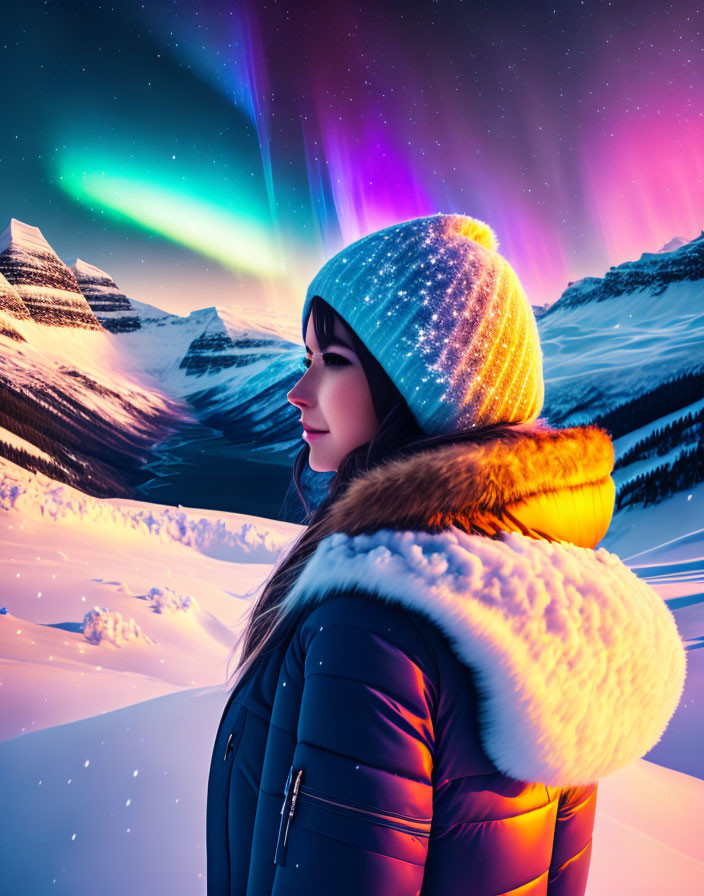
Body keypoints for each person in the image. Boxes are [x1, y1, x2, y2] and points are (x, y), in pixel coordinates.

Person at [206, 213, 686, 895]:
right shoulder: (553, 611)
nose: (298, 391)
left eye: (333, 361)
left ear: (425, 388)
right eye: (305, 360)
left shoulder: (367, 627)